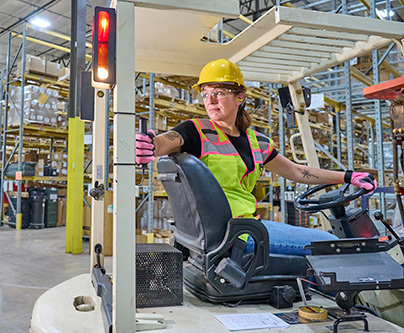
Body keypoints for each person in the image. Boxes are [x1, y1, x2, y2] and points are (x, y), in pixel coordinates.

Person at [135, 59, 377, 256]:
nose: (210, 100)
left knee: (326, 244)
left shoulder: (257, 142)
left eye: (218, 93)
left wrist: (347, 176)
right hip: (232, 233)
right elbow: (166, 141)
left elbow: (295, 171)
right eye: (206, 93)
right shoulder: (195, 131)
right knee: (331, 243)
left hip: (246, 227)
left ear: (240, 97)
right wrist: (149, 145)